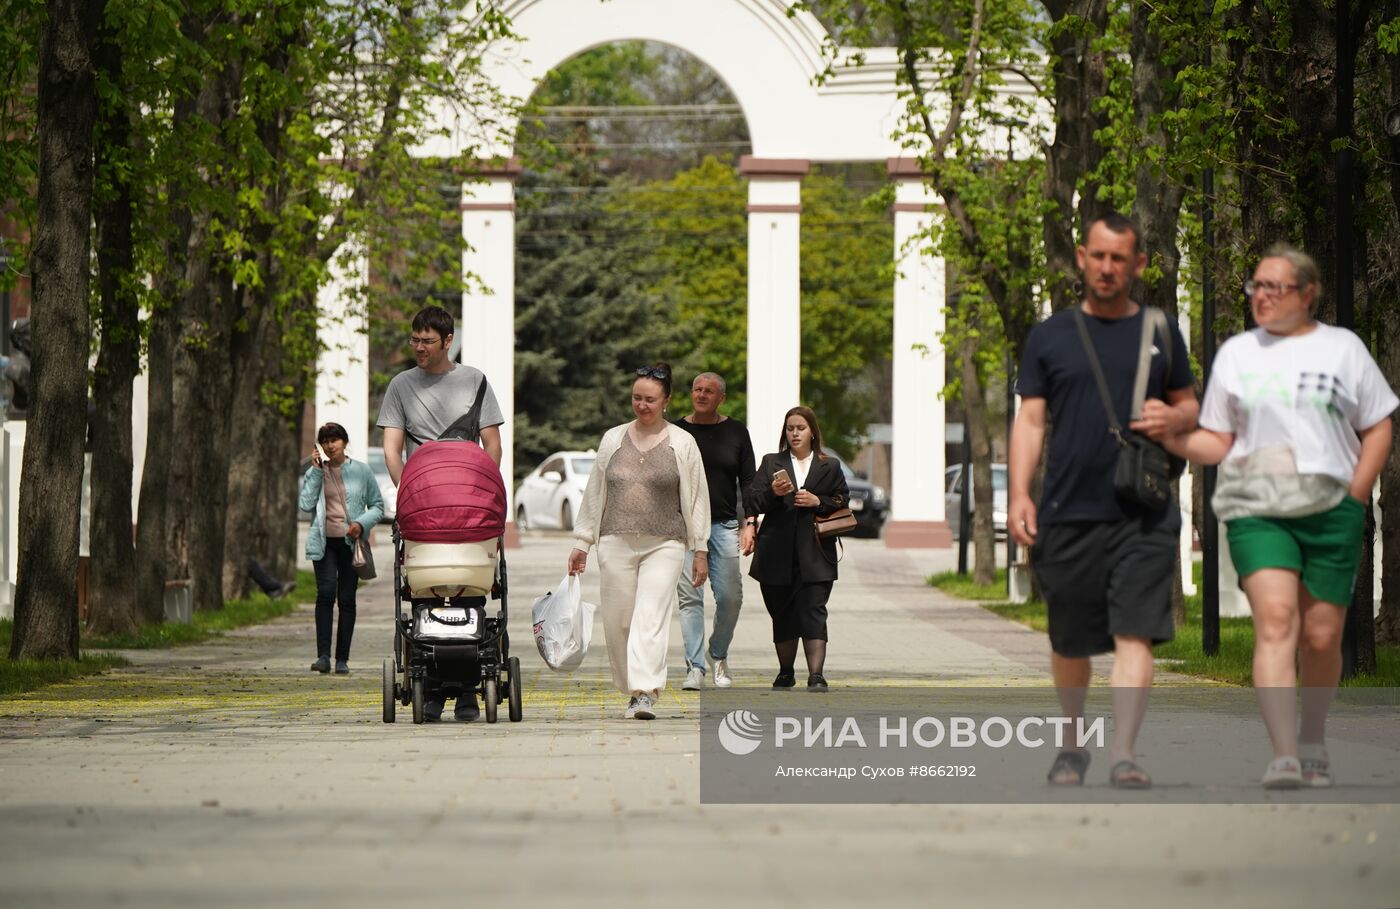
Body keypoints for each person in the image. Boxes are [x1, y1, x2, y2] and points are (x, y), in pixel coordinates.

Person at [1162, 244, 1395, 789]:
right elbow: (1219, 440)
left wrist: (1356, 494)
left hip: (1331, 508)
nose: (1261, 296)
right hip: (1257, 508)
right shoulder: (1239, 354)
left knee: (1320, 636)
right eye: (1256, 287)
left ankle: (1313, 739)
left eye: (1275, 287)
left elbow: (1379, 424)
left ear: (1307, 294)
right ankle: (1284, 754)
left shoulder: (1344, 350)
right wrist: (1173, 434)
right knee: (1275, 623)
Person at [1008, 212, 1198, 789]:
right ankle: (1072, 745)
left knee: (1134, 631)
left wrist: (1175, 415)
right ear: (1082, 258)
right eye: (1099, 256)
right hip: (1067, 510)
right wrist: (1020, 492)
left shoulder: (1162, 330)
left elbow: (1191, 405)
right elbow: (1031, 420)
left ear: (1138, 264)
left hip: (1143, 510)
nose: (1108, 267)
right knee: (1068, 637)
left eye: (1120, 258)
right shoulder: (1050, 335)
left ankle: (1124, 752)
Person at [378, 305, 505, 721]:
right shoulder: (400, 386)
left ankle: (468, 689)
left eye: (426, 341)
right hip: (422, 508)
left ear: (448, 341)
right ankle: (428, 688)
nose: (418, 347)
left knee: (470, 591)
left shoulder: (475, 382)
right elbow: (393, 450)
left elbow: (493, 446)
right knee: (422, 596)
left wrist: (478, 492)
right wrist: (412, 494)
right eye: (414, 340)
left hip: (468, 506)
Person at [568, 363, 711, 720]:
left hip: (665, 542)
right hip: (614, 539)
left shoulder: (683, 443)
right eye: (636, 398)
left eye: (650, 399)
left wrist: (701, 548)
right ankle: (630, 684)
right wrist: (582, 541)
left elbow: (696, 499)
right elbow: (595, 492)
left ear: (667, 401)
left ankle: (643, 692)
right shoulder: (613, 438)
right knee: (619, 620)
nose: (642, 405)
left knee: (651, 615)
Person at [746, 406, 849, 690]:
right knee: (782, 611)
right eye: (790, 428)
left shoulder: (829, 465)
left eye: (800, 428)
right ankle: (786, 671)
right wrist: (773, 494)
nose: (794, 433)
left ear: (812, 432)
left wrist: (819, 502)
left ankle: (816, 675)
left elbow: (842, 499)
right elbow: (752, 502)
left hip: (817, 552)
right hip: (776, 552)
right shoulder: (771, 463)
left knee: (813, 610)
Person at [673, 372, 757, 690]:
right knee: (690, 598)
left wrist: (751, 522)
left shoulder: (736, 431)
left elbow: (748, 481)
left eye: (709, 391)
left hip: (723, 525)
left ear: (721, 398)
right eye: (697, 389)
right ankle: (694, 667)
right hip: (684, 528)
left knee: (730, 597)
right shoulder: (677, 431)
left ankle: (717, 653)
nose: (702, 394)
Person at [298, 422, 384, 675]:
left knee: (346, 600)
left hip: (350, 543)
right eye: (325, 441)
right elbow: (305, 504)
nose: (330, 445)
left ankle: (342, 659)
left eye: (334, 439)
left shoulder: (362, 471)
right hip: (323, 543)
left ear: (344, 442)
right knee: (325, 594)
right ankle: (323, 656)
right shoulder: (317, 472)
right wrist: (314, 473)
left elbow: (377, 506)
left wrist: (360, 523)